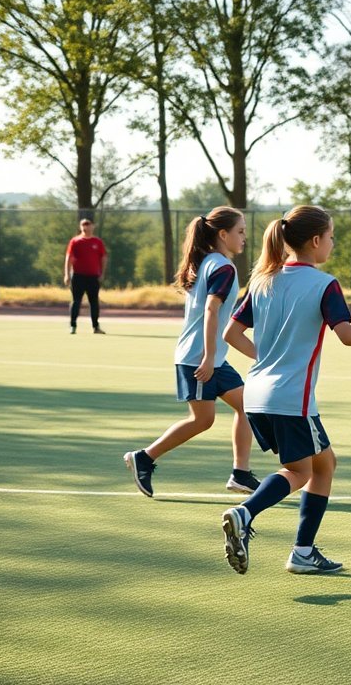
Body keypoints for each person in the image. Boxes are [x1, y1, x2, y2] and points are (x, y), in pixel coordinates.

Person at [218, 205, 351, 575]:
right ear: (315, 240)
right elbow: (346, 334)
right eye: (331, 236)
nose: (333, 243)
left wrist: (269, 356)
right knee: (299, 471)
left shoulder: (262, 279)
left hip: (256, 393)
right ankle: (245, 514)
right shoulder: (324, 284)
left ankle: (304, 552)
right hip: (291, 398)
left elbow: (231, 334)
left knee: (324, 463)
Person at [122, 207, 261, 498]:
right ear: (223, 234)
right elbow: (211, 310)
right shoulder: (222, 267)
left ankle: (241, 473)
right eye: (240, 231)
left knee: (247, 406)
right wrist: (209, 358)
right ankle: (144, 457)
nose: (244, 237)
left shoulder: (208, 262)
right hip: (200, 359)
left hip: (212, 357)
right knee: (202, 419)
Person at [64, 217, 107, 334]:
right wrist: (67, 274)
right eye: (83, 224)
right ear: (80, 227)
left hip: (93, 277)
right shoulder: (75, 241)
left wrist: (102, 273)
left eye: (88, 224)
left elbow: (103, 258)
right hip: (78, 276)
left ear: (93, 226)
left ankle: (96, 327)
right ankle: (73, 325)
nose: (85, 227)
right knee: (76, 301)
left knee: (94, 302)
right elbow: (69, 258)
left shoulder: (98, 242)